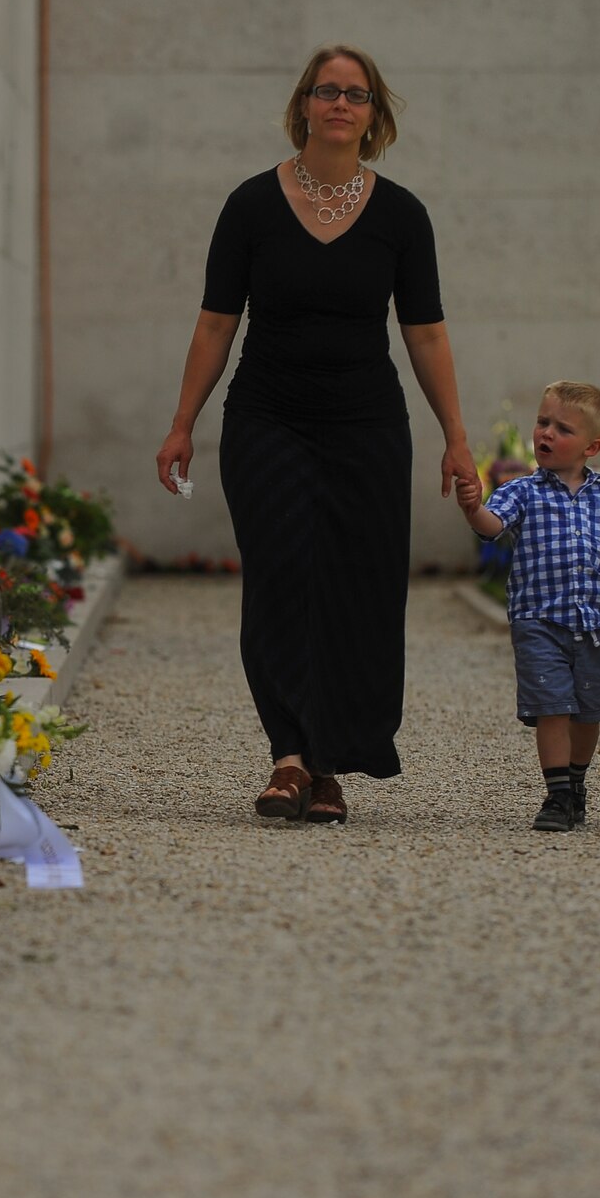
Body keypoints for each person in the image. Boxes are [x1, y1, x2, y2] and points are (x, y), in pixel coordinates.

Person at [154, 44, 476, 824]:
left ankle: (330, 761)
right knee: (281, 576)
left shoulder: (401, 215)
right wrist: (182, 422)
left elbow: (426, 333)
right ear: (303, 104)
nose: (340, 104)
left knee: (358, 587)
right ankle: (290, 756)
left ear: (374, 115)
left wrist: (456, 436)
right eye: (327, 91)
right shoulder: (251, 206)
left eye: (356, 95)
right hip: (266, 416)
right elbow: (215, 323)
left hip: (367, 424)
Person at [453, 381, 600, 832]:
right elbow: (491, 524)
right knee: (552, 707)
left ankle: (576, 781)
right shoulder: (524, 491)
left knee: (587, 713)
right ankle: (557, 796)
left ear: (591, 447)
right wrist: (472, 507)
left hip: (594, 624)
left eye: (562, 428)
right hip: (538, 622)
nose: (546, 433)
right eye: (543, 422)